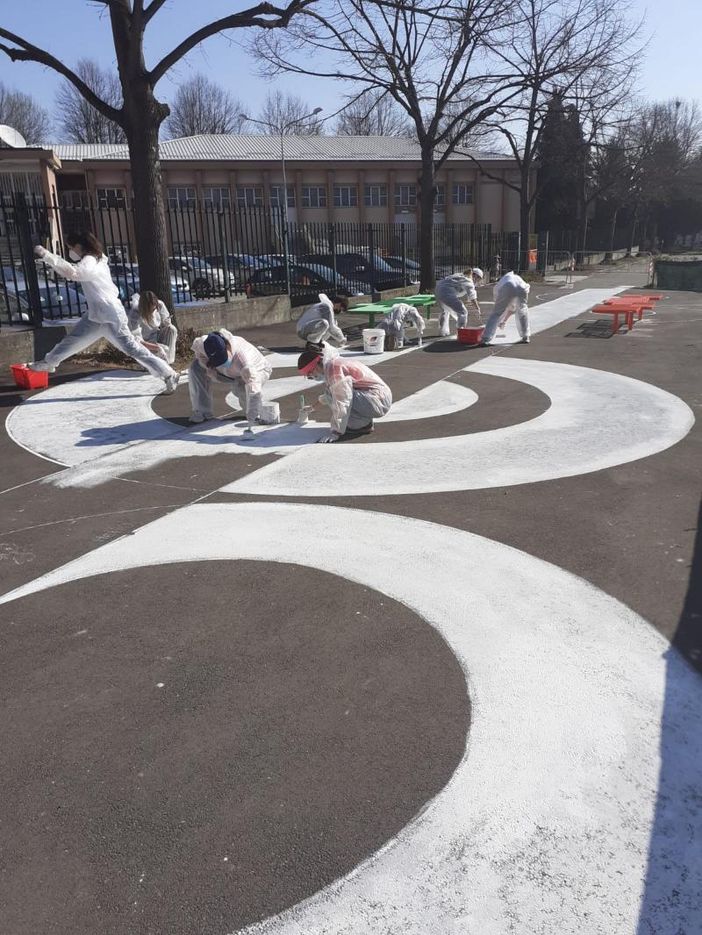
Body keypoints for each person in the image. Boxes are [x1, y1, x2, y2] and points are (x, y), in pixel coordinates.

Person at [28, 233, 179, 394]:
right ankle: (49, 361)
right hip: (98, 313)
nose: (71, 250)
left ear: (80, 246)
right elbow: (75, 272)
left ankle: (169, 374)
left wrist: (48, 256)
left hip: (109, 313)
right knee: (73, 340)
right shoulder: (97, 259)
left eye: (71, 247)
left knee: (132, 348)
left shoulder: (90, 260)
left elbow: (74, 273)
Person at [297, 344, 392, 443]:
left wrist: (336, 432)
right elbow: (332, 396)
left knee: (335, 394)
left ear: (316, 365)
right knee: (333, 392)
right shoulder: (332, 364)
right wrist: (313, 407)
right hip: (376, 398)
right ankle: (362, 423)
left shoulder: (334, 368)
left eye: (310, 373)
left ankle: (361, 426)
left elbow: (342, 401)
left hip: (377, 400)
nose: (311, 377)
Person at [188, 328, 272, 429]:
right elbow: (200, 355)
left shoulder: (243, 359)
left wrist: (252, 414)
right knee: (196, 367)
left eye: (223, 358)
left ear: (227, 346)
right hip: (228, 372)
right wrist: (207, 365)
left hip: (257, 370)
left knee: (242, 389)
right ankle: (202, 412)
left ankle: (255, 414)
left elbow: (253, 389)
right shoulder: (202, 344)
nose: (222, 362)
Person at [480, 270, 531, 346]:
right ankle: (526, 336)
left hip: (508, 286)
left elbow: (501, 309)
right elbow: (511, 309)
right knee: (522, 312)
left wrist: (502, 320)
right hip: (523, 288)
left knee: (496, 313)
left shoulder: (500, 284)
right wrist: (504, 321)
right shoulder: (516, 277)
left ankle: (486, 338)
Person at [129, 291, 178, 364]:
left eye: (154, 309)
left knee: (172, 329)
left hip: (157, 336)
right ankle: (150, 363)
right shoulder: (135, 315)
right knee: (163, 349)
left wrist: (166, 322)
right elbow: (137, 341)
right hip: (145, 342)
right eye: (150, 309)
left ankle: (168, 362)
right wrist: (156, 347)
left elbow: (165, 320)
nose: (153, 311)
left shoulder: (159, 304)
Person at [434, 268, 484, 337]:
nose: (478, 281)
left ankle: (442, 331)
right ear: (476, 276)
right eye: (479, 279)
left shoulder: (461, 276)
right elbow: (472, 296)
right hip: (446, 293)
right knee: (463, 312)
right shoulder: (469, 281)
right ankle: (461, 332)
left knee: (445, 311)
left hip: (438, 290)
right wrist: (477, 308)